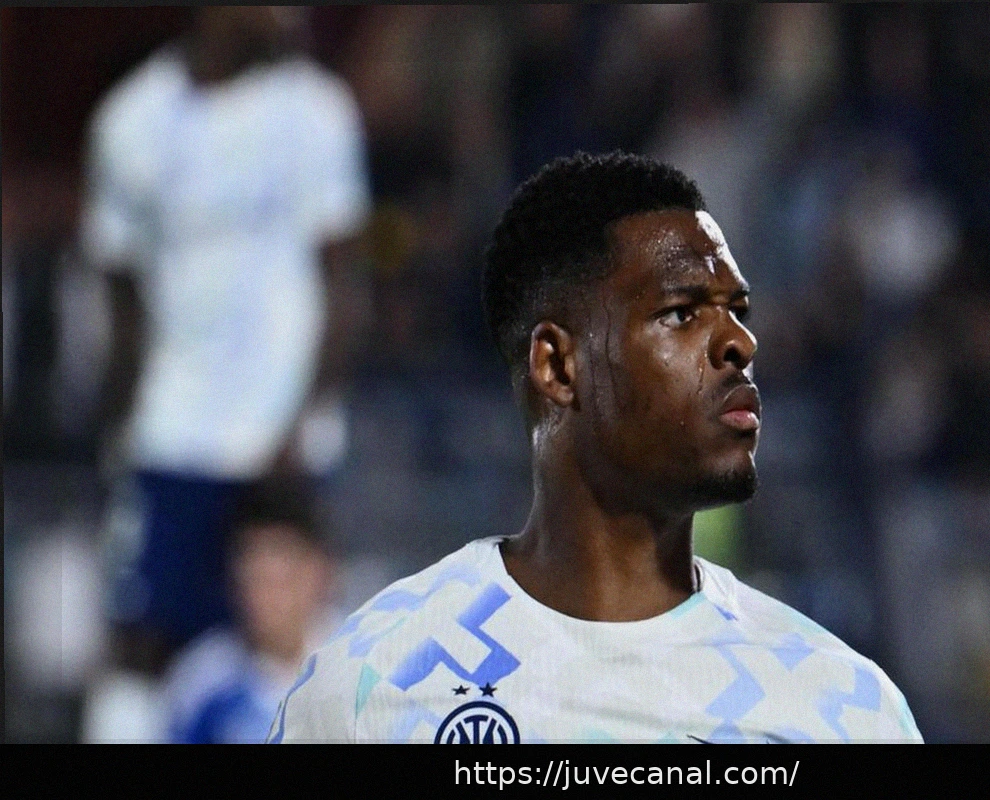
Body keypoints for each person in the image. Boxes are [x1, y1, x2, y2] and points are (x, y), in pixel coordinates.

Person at [270, 151, 922, 743]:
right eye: (681, 313)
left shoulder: (841, 708)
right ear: (557, 366)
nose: (739, 343)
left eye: (738, 311)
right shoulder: (372, 689)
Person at [78, 7, 369, 740]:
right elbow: (121, 296)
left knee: (294, 646)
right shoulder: (130, 121)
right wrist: (121, 435)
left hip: (282, 443)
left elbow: (344, 283)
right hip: (171, 437)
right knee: (144, 646)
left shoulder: (316, 112)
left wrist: (304, 419)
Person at [163, 477, 339, 744]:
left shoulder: (360, 661)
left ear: (317, 573)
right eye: (254, 579)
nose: (265, 599)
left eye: (280, 581)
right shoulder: (202, 681)